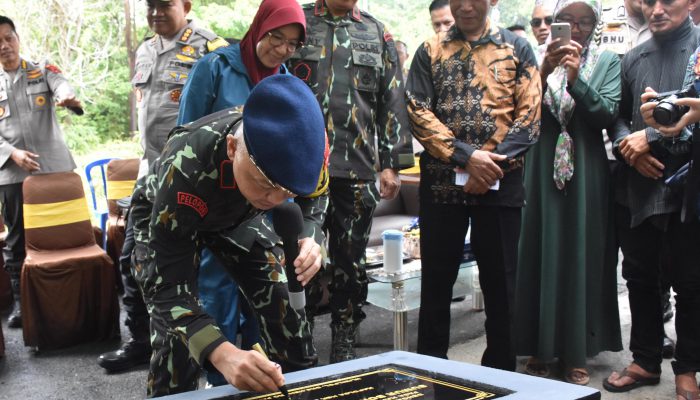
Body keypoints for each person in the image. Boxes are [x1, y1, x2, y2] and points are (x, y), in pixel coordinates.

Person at [131, 74, 325, 397]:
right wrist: (224, 354)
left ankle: (302, 389)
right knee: (177, 340)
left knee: (283, 305)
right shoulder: (184, 164)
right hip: (170, 211)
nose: (276, 200)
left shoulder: (304, 139)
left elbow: (317, 192)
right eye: (266, 185)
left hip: (239, 213)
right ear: (233, 148)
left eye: (286, 190)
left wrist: (312, 235)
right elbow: (166, 286)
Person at [177, 0, 328, 387]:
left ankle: (265, 380)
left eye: (291, 44)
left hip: (270, 211)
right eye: (276, 38)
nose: (280, 50)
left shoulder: (290, 84)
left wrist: (311, 232)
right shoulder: (215, 67)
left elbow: (312, 164)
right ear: (259, 27)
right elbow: (185, 138)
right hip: (217, 208)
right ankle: (218, 380)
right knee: (216, 302)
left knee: (270, 305)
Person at [406, 0, 542, 372]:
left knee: (502, 288)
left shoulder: (518, 48)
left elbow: (529, 117)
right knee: (436, 286)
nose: (465, 5)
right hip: (442, 186)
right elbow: (417, 110)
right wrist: (468, 157)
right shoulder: (429, 50)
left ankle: (499, 376)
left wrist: (489, 166)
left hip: (501, 185)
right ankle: (433, 374)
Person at [97, 0, 227, 373]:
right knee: (132, 259)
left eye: (164, 4)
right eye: (150, 5)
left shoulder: (210, 48)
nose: (155, 11)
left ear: (185, 5)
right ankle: (140, 342)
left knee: (182, 265)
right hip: (149, 170)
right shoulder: (146, 49)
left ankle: (193, 348)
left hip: (190, 176)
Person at [287, 0, 413, 363]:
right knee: (298, 256)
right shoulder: (299, 21)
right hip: (301, 167)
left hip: (354, 168)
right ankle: (301, 335)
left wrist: (392, 165)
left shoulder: (376, 32)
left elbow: (392, 101)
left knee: (350, 263)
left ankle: (345, 338)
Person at [514, 0, 622, 386]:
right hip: (541, 169)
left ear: (596, 24)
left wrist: (577, 80)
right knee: (539, 249)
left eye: (584, 21)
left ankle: (576, 353)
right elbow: (520, 112)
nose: (575, 28)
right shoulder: (531, 58)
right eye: (566, 21)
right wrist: (545, 71)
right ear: (555, 24)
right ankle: (540, 348)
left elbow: (607, 114)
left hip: (587, 172)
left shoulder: (608, 61)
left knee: (582, 253)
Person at [602, 0, 700, 396]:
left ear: (692, 2)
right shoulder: (634, 57)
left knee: (691, 282)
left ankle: (688, 367)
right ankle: (644, 359)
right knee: (639, 276)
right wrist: (630, 144)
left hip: (689, 186)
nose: (657, 10)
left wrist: (653, 137)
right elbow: (620, 115)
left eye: (668, 1)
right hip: (638, 185)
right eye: (649, 2)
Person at [0, 16, 81, 329]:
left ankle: (69, 298)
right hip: (11, 176)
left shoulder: (42, 69)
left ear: (18, 38)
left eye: (9, 38)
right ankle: (23, 304)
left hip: (54, 171)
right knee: (17, 241)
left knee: (65, 235)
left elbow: (63, 86)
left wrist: (67, 98)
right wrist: (12, 153)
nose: (5, 46)